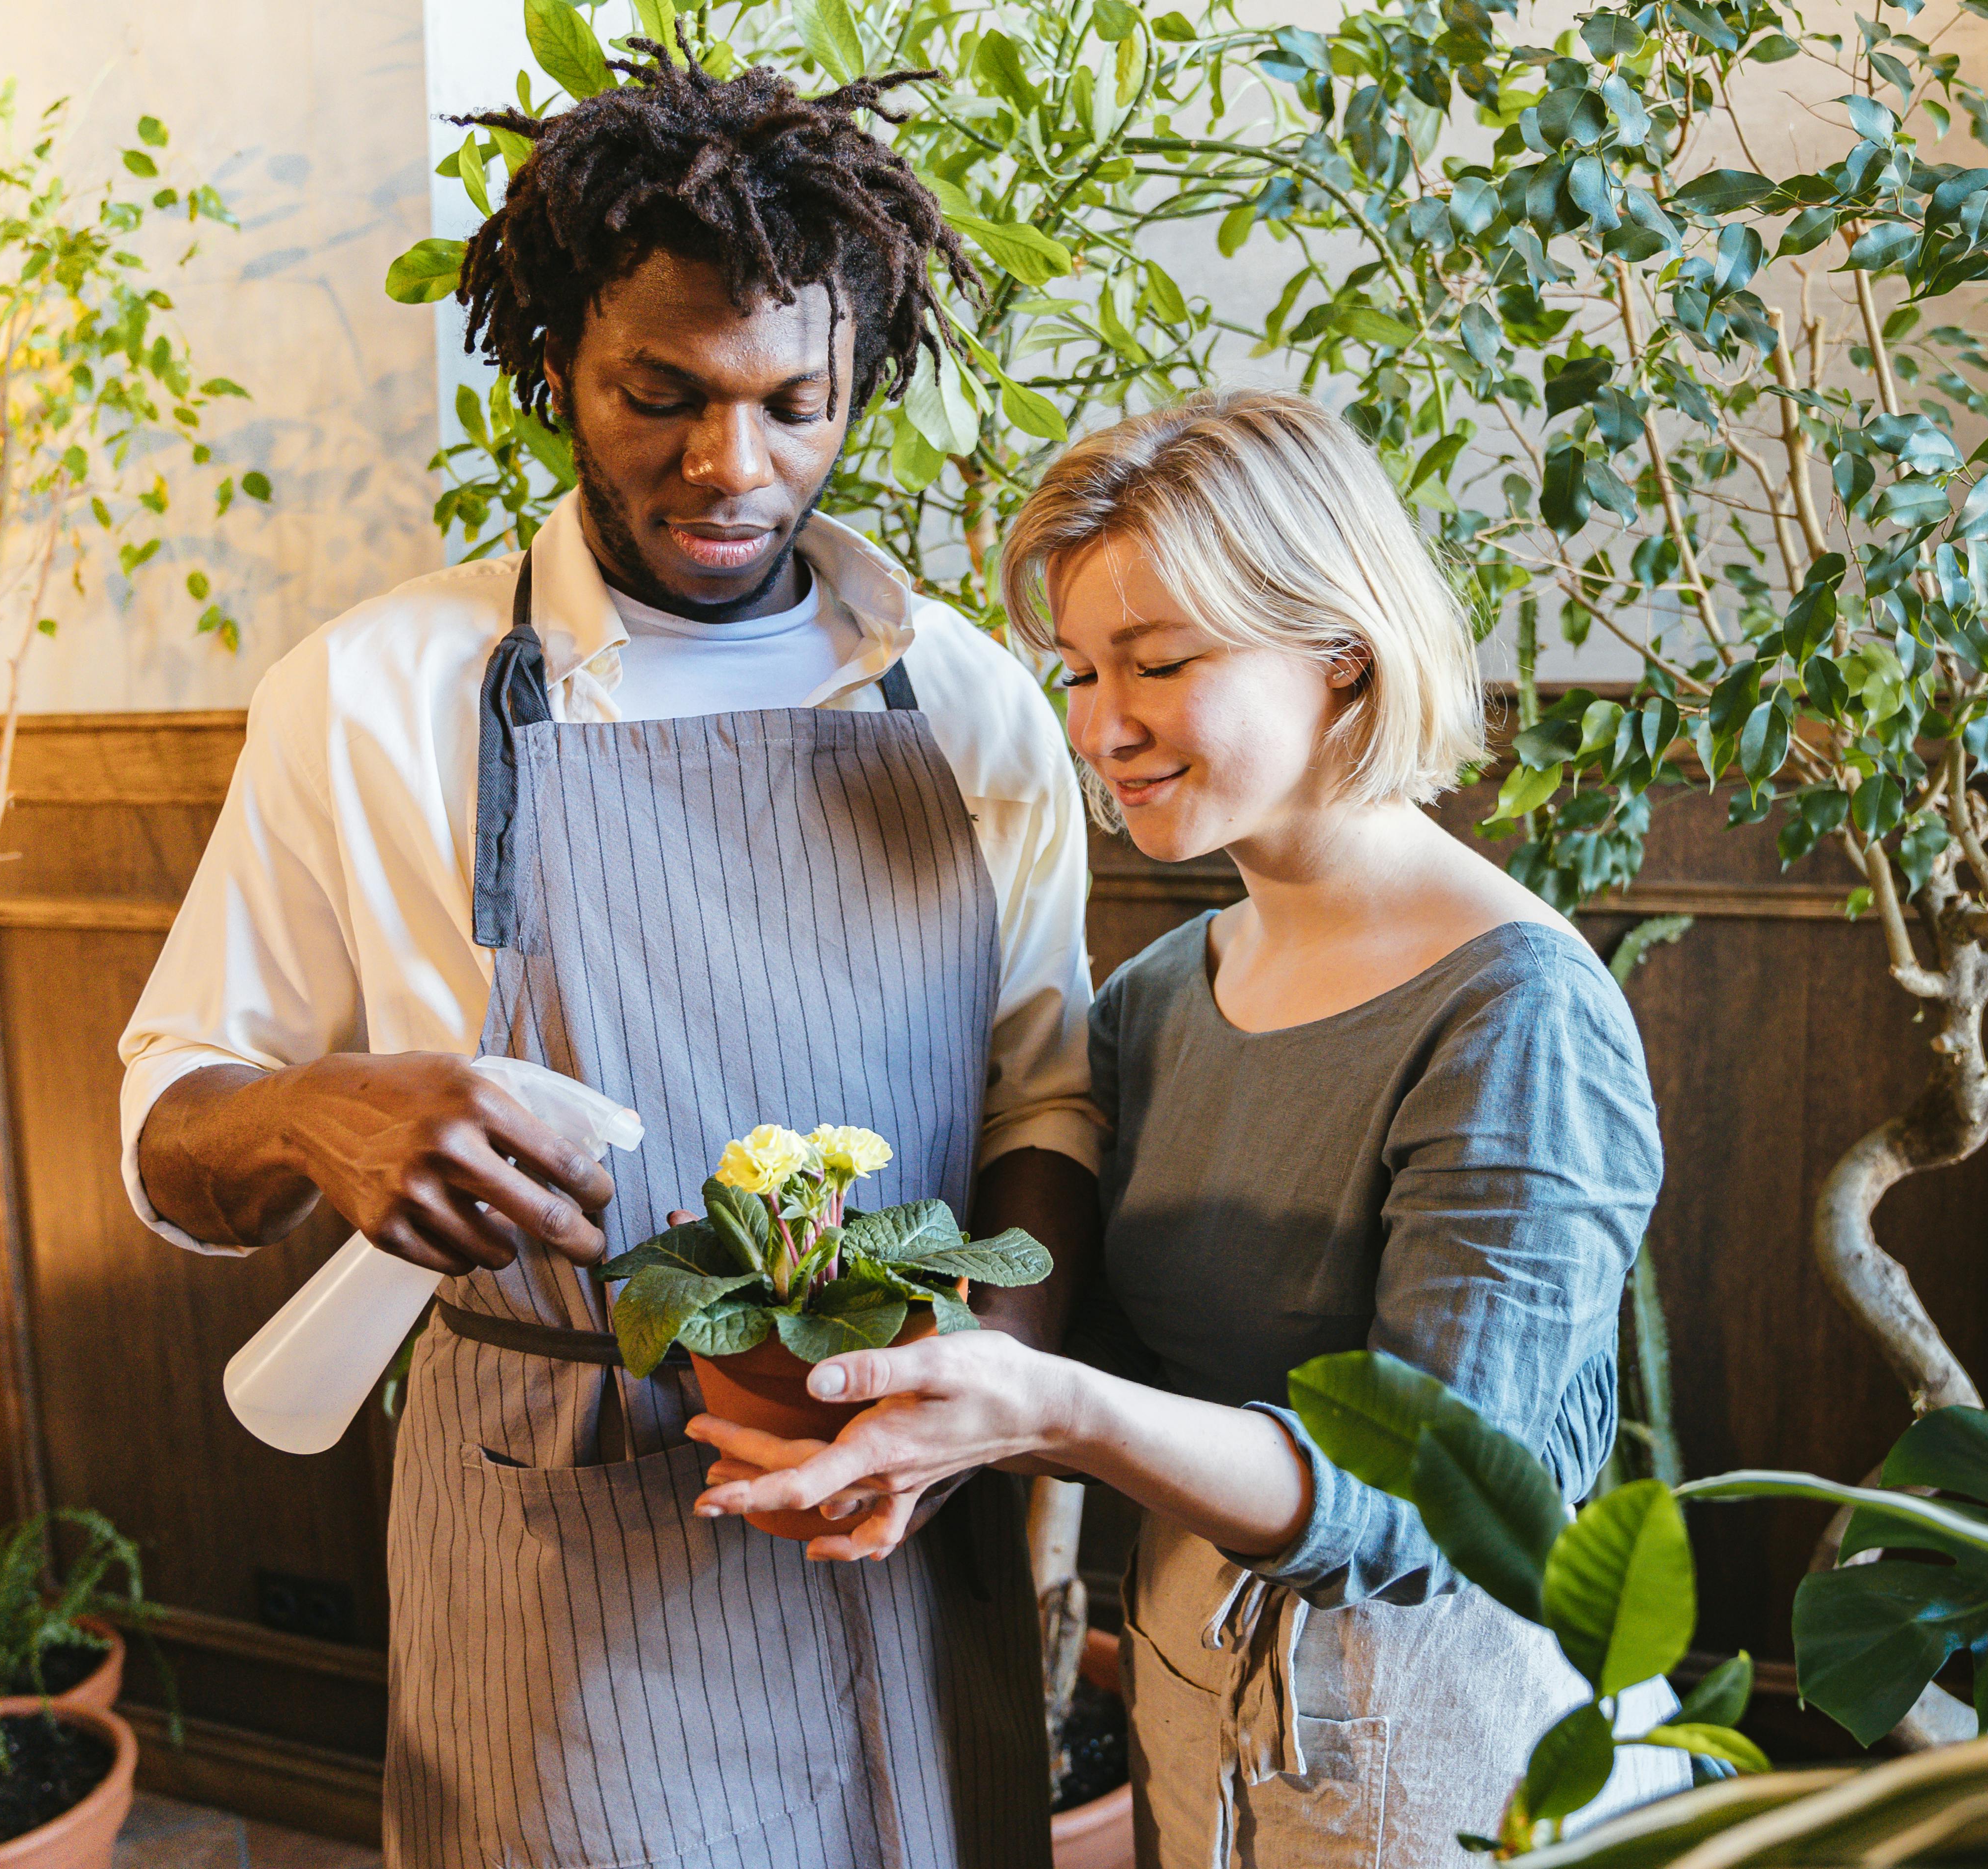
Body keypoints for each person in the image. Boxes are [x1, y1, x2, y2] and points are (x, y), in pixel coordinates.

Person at [116, 39, 1100, 1869]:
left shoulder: (969, 704)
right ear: (555, 364)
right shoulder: (373, 694)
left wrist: (975, 1407)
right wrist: (310, 1113)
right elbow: (174, 1128)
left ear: (858, 384)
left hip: (896, 1532)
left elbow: (1044, 1112)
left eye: (796, 402)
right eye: (663, 395)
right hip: (558, 1547)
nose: (734, 465)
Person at [687, 389, 1690, 1866]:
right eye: (1081, 670)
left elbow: (1445, 1507)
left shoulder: (1516, 1013)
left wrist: (1053, 1410)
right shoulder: (1164, 997)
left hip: (1457, 1756)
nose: (1100, 727)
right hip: (1192, 1700)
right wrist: (911, 1410)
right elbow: (1127, 1374)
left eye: (1157, 663)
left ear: (1342, 656)